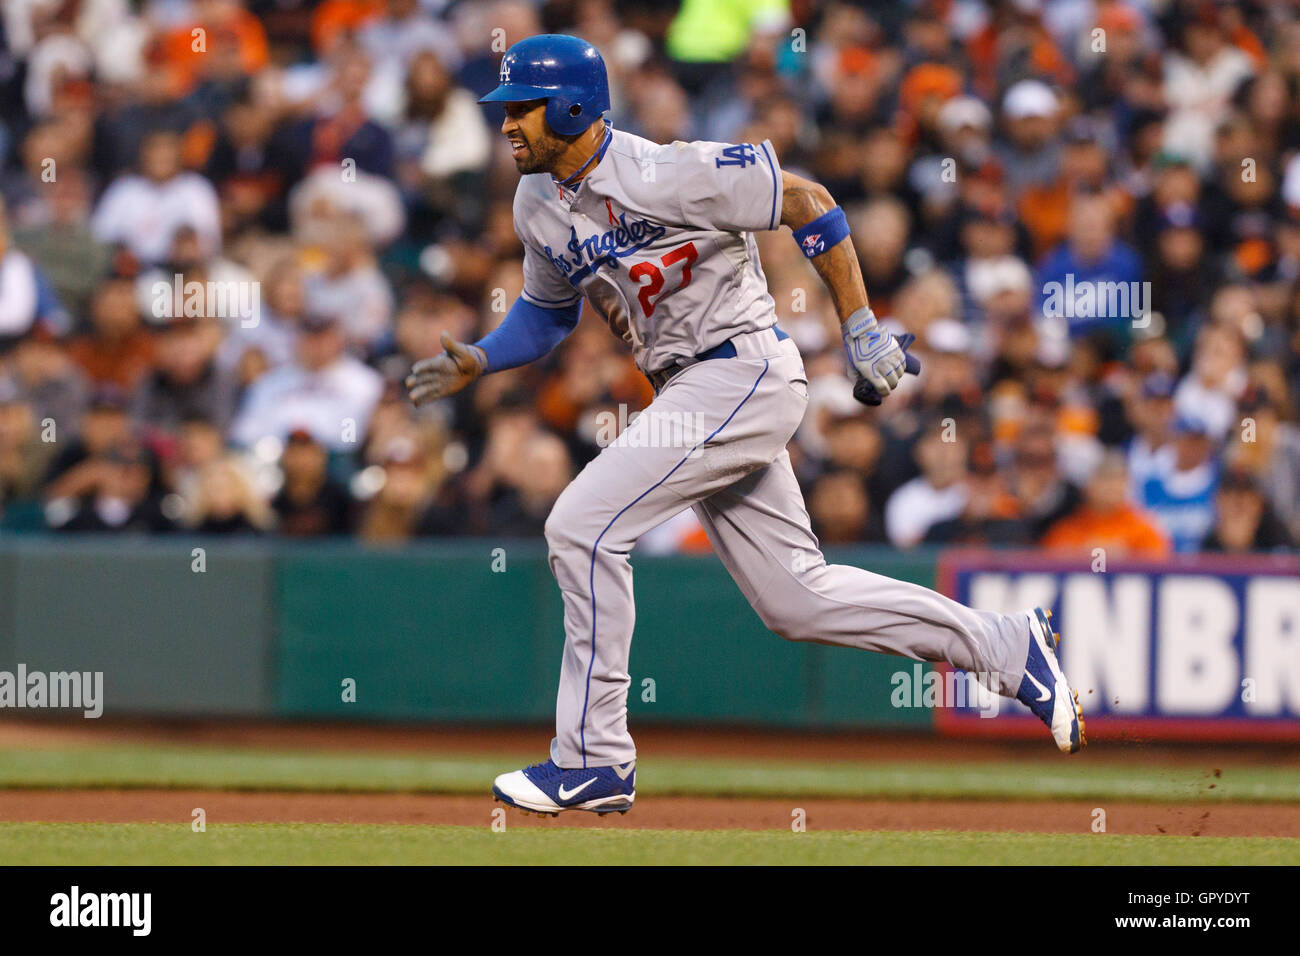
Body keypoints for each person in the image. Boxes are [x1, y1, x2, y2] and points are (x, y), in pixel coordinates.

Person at [406, 35, 1085, 817]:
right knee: (796, 600)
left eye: (522, 108)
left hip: (740, 369)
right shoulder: (536, 203)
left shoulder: (667, 170)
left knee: (583, 528)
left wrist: (861, 325)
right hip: (691, 390)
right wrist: (484, 360)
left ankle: (594, 758)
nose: (508, 124)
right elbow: (547, 311)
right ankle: (1005, 647)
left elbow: (810, 203)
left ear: (570, 107)